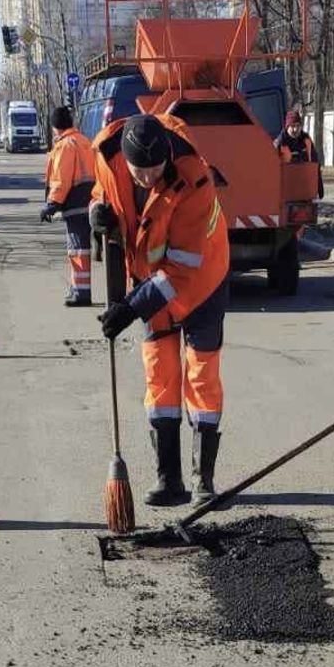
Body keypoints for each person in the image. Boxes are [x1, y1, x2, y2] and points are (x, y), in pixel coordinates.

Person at [89, 114, 230, 507]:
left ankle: (203, 481)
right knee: (161, 377)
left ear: (167, 156)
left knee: (201, 377)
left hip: (202, 284)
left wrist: (131, 308)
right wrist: (97, 211)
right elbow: (102, 192)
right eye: (140, 171)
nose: (148, 178)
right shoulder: (108, 158)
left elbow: (182, 271)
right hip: (151, 284)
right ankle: (169, 479)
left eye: (155, 170)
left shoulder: (195, 181)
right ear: (125, 161)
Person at [41, 106, 96, 307]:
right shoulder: (84, 140)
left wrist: (52, 204)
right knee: (82, 247)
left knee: (77, 249)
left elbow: (61, 180)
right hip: (90, 199)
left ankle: (81, 293)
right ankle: (77, 288)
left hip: (75, 201)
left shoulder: (65, 145)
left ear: (55, 127)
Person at [274, 110, 324, 198]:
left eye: (298, 126)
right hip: (286, 192)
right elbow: (272, 170)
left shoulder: (306, 140)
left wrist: (319, 185)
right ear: (287, 127)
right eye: (293, 126)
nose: (296, 129)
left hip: (305, 190)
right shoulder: (279, 143)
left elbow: (315, 163)